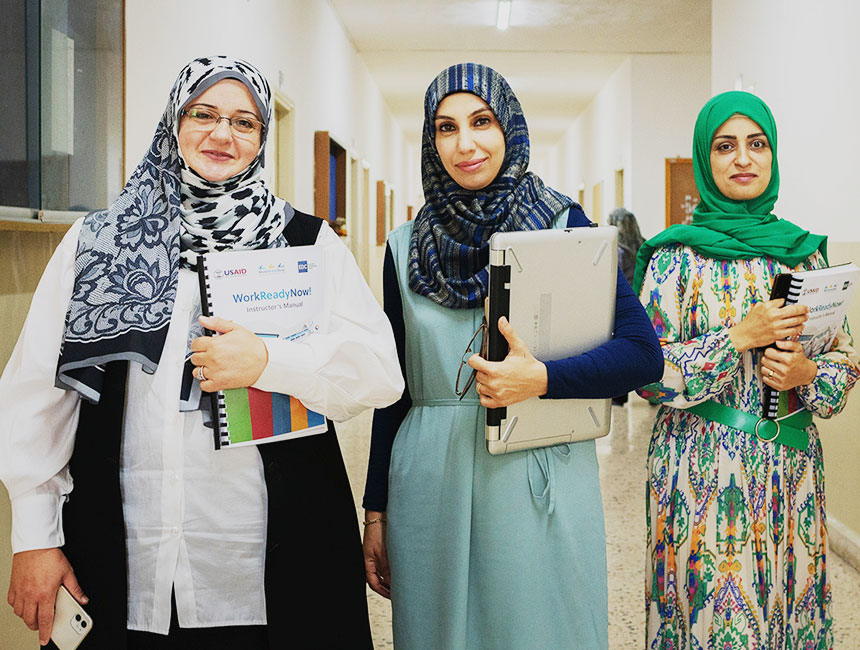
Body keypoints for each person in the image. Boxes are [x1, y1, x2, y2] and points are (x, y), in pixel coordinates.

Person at [0, 56, 404, 649]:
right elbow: (39, 394)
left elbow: (380, 375)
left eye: (245, 122)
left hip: (271, 554)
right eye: (204, 114)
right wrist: (34, 535)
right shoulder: (99, 241)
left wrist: (270, 363)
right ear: (174, 121)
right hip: (123, 553)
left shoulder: (305, 243)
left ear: (262, 140)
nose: (223, 134)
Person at [360, 62, 663, 650]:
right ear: (430, 141)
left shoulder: (561, 223)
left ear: (511, 130)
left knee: (537, 629)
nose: (465, 144)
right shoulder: (403, 248)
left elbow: (642, 355)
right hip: (429, 479)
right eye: (446, 128)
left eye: (482, 122)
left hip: (532, 469)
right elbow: (392, 391)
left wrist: (542, 378)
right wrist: (376, 511)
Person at [632, 91, 859, 648]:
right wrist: (738, 338)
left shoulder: (803, 255)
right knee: (716, 627)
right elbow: (647, 375)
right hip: (702, 473)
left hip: (794, 472)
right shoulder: (673, 259)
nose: (743, 159)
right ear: (705, 161)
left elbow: (844, 364)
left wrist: (806, 373)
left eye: (757, 145)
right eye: (725, 146)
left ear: (773, 155)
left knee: (790, 614)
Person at [607, 207, 646, 405]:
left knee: (621, 351)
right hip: (644, 304)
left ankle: (619, 395)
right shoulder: (645, 245)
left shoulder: (616, 250)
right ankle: (650, 393)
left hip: (622, 306)